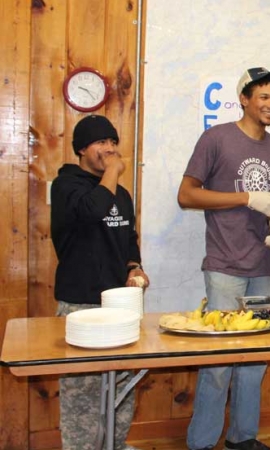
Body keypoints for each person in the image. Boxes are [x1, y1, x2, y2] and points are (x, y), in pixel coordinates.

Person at [177, 67, 270, 450]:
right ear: (244, 98)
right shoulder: (217, 138)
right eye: (264, 96)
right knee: (218, 362)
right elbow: (187, 195)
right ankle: (202, 444)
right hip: (224, 265)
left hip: (261, 268)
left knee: (255, 359)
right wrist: (245, 198)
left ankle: (243, 439)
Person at [51, 114, 149, 450]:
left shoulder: (120, 193)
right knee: (83, 394)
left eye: (112, 142)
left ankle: (115, 445)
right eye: (100, 143)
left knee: (122, 386)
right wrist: (112, 171)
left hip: (119, 306)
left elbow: (128, 238)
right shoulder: (66, 186)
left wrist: (134, 266)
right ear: (81, 149)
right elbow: (92, 211)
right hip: (80, 304)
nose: (109, 149)